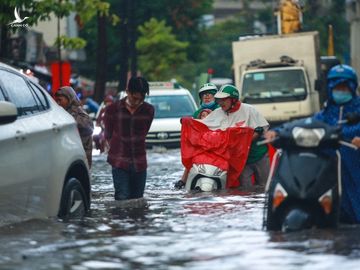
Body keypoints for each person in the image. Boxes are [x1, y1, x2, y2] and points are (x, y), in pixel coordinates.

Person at [265, 64, 360, 223]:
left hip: (355, 173)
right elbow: (304, 124)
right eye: (337, 87)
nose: (340, 91)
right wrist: (279, 131)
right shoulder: (324, 115)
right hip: (328, 174)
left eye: (344, 88)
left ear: (352, 88)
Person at [199, 84, 270, 188]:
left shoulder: (249, 110)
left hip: (259, 155)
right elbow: (202, 126)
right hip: (239, 160)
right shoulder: (218, 113)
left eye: (224, 100)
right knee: (246, 190)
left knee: (265, 187)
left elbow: (262, 129)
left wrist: (245, 141)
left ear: (233, 100)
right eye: (219, 100)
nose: (220, 103)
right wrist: (188, 122)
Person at [104, 77, 154, 201]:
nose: (137, 102)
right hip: (119, 161)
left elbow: (144, 132)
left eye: (141, 99)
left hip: (140, 161)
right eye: (134, 98)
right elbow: (108, 134)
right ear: (127, 92)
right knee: (122, 199)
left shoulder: (148, 110)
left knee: (138, 201)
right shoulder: (112, 109)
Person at [174, 83, 219, 189]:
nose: (206, 97)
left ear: (215, 96)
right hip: (201, 145)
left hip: (219, 144)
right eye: (204, 95)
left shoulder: (221, 111)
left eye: (209, 94)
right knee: (191, 158)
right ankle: (183, 180)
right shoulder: (196, 113)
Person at [54, 86, 94, 168]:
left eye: (60, 100)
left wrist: (69, 118)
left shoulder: (77, 111)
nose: (58, 103)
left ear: (69, 98)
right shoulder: (63, 111)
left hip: (80, 155)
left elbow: (88, 126)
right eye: (57, 101)